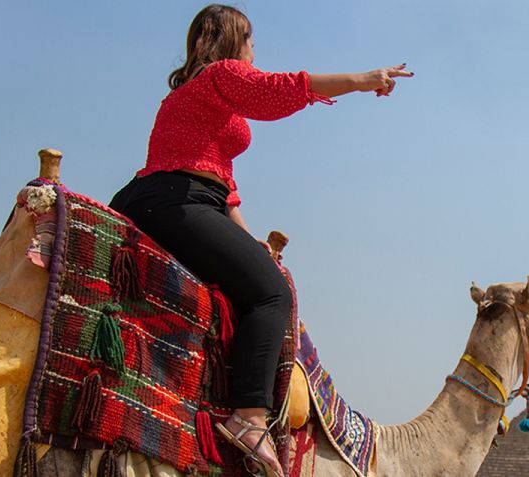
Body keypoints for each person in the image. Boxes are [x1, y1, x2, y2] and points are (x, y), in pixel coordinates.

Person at [109, 4, 413, 476]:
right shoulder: (220, 76)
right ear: (232, 40)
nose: (255, 50)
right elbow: (281, 90)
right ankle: (249, 417)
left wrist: (255, 248)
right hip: (174, 199)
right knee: (273, 294)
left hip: (176, 198)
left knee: (265, 275)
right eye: (250, 40)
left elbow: (224, 190)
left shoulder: (190, 96)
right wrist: (362, 78)